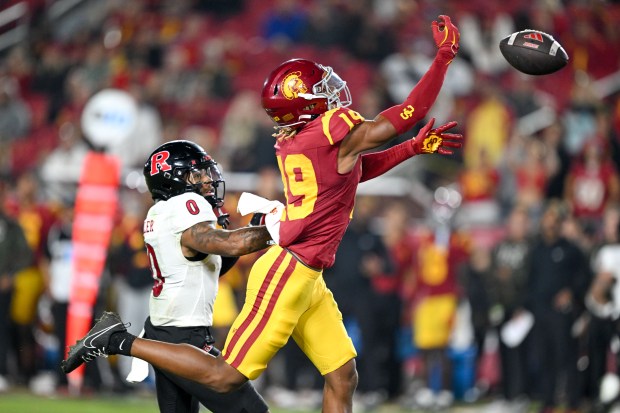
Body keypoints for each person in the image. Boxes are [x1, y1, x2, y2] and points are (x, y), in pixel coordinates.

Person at [62, 14, 462, 412]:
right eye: (319, 88)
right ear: (302, 104)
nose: (333, 92)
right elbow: (408, 113)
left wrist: (412, 149)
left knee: (343, 375)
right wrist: (443, 58)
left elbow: (353, 173)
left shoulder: (311, 141)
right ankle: (118, 340)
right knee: (226, 376)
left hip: (310, 274)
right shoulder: (327, 131)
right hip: (290, 268)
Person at [131, 140, 272, 413]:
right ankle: (121, 342)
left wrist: (253, 230)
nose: (208, 180)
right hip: (184, 336)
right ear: (174, 180)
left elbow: (209, 266)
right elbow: (228, 244)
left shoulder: (161, 211)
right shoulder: (186, 203)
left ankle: (123, 342)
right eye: (197, 174)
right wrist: (274, 231)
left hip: (165, 328)